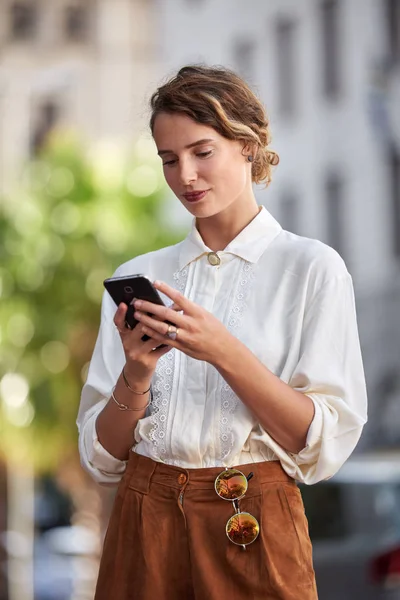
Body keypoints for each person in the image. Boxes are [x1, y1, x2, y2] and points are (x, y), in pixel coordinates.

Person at [77, 65, 368, 600]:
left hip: (253, 522)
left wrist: (224, 352)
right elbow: (103, 456)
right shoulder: (137, 278)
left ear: (248, 146)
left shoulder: (311, 268)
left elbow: (322, 442)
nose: (185, 174)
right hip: (143, 523)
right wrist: (137, 375)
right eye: (169, 159)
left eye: (201, 151)